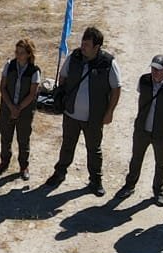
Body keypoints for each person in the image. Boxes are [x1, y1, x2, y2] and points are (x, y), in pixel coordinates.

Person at [44, 26, 120, 192]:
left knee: (94, 150)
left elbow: (116, 89)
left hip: (94, 117)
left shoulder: (108, 63)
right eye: (82, 43)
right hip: (71, 113)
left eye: (86, 44)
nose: (83, 47)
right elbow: (63, 75)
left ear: (96, 47)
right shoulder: (74, 57)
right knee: (67, 145)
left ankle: (96, 181)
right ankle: (59, 173)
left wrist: (110, 112)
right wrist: (62, 96)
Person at [121, 54, 163, 204]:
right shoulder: (144, 80)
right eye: (153, 68)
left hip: (161, 133)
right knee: (136, 159)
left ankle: (158, 191)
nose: (155, 72)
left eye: (158, 70)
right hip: (142, 129)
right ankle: (129, 186)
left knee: (161, 164)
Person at [0, 37, 41, 179]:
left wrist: (18, 108)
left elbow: (32, 93)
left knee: (23, 139)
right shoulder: (9, 65)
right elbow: (3, 87)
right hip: (7, 108)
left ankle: (24, 166)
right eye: (17, 52)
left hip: (24, 111)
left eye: (21, 52)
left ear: (28, 54)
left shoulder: (34, 71)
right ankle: (4, 162)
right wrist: (10, 106)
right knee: (6, 137)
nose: (18, 55)